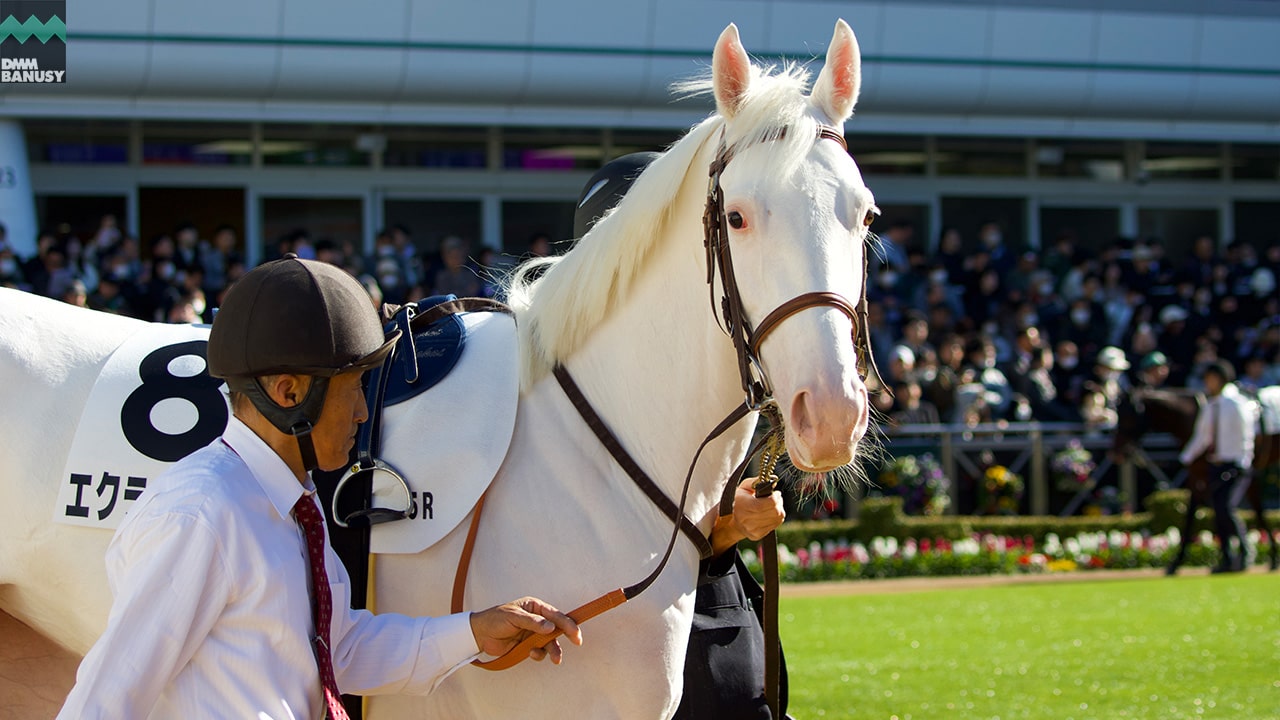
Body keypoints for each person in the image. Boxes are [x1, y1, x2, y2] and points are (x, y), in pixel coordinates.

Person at [58, 256, 581, 719]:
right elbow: (105, 700)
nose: (361, 412)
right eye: (353, 387)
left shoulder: (291, 502)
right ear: (288, 392)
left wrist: (475, 632)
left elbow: (342, 650)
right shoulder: (198, 515)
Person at [574, 153, 789, 718]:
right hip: (624, 637)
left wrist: (733, 521)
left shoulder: (707, 352)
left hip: (710, 627)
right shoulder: (564, 374)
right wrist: (726, 528)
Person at [1179, 360, 1256, 573]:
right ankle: (1227, 557)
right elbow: (1202, 437)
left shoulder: (1237, 403)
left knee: (1226, 507)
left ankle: (1245, 551)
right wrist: (1185, 458)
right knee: (1218, 510)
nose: (1207, 383)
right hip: (1216, 464)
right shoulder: (1211, 405)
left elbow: (1246, 436)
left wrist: (1243, 461)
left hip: (1235, 464)